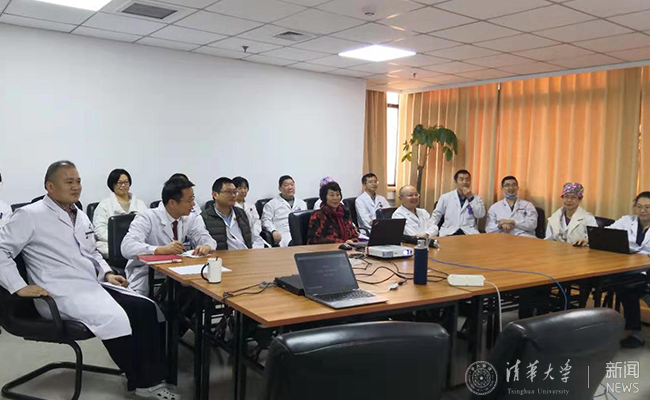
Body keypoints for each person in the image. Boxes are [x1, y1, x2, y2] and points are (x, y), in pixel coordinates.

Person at [0, 161, 180, 400]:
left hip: (90, 284)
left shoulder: (79, 214)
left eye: (78, 181)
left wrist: (107, 274)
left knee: (146, 308)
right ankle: (143, 382)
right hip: (58, 292)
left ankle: (153, 377)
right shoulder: (29, 215)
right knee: (116, 318)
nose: (76, 187)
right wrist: (18, 287)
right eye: (69, 182)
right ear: (50, 186)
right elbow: (1, 250)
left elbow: (92, 252)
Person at [121, 177, 216, 295]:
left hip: (178, 273)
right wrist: (159, 250)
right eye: (189, 200)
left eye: (193, 199)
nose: (193, 204)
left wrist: (206, 246)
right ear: (172, 203)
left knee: (203, 290)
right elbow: (127, 247)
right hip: (148, 275)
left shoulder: (189, 218)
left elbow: (206, 237)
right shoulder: (147, 217)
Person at [609, 192, 650, 349]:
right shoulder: (626, 221)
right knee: (627, 285)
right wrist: (587, 239)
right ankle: (635, 333)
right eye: (639, 206)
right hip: (628, 268)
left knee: (629, 286)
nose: (643, 210)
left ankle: (635, 333)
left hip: (646, 269)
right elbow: (607, 233)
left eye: (647, 207)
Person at [93, 169, 148, 258]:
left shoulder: (140, 204)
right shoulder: (104, 205)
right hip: (113, 244)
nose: (123, 185)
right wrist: (120, 240)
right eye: (119, 183)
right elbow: (100, 230)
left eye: (126, 182)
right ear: (112, 185)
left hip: (138, 243)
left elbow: (148, 225)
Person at [202, 177, 264, 250]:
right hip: (223, 256)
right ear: (215, 195)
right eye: (228, 192)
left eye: (235, 192)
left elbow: (253, 236)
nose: (233, 195)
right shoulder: (204, 218)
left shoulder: (241, 213)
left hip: (246, 253)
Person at [429, 169, 486, 237]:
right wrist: (429, 231)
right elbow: (436, 215)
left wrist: (471, 198)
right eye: (461, 179)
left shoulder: (476, 198)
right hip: (449, 232)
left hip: (468, 233)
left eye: (467, 180)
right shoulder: (445, 197)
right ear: (456, 182)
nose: (465, 182)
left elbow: (480, 215)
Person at [261, 175, 307, 247]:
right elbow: (265, 220)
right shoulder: (271, 204)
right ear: (280, 188)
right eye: (286, 185)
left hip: (301, 233)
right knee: (292, 243)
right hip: (283, 233)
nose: (290, 187)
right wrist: (273, 231)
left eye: (292, 184)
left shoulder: (302, 203)